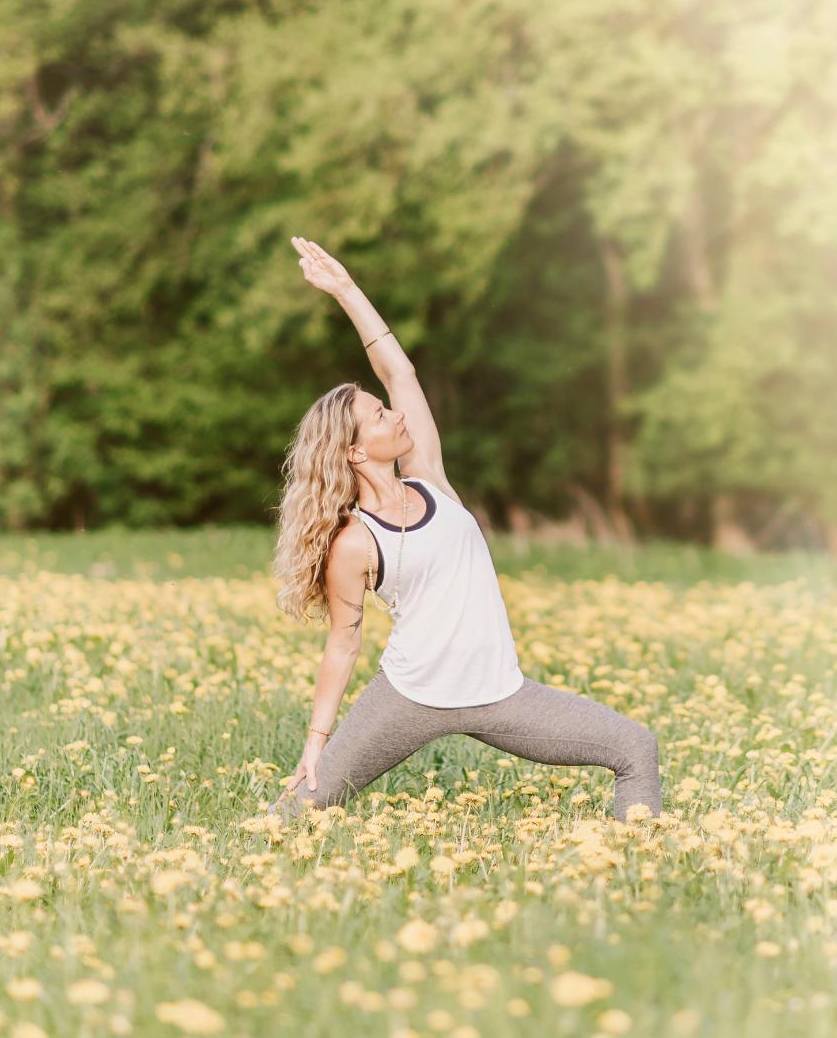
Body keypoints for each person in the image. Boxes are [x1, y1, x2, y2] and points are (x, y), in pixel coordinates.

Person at [262, 237, 662, 825]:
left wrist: (346, 290)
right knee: (306, 807)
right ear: (352, 451)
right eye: (379, 417)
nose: (395, 416)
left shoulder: (427, 478)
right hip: (408, 697)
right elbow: (343, 644)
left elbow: (398, 369)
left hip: (501, 694)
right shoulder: (353, 542)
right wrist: (316, 743)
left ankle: (640, 865)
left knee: (636, 748)